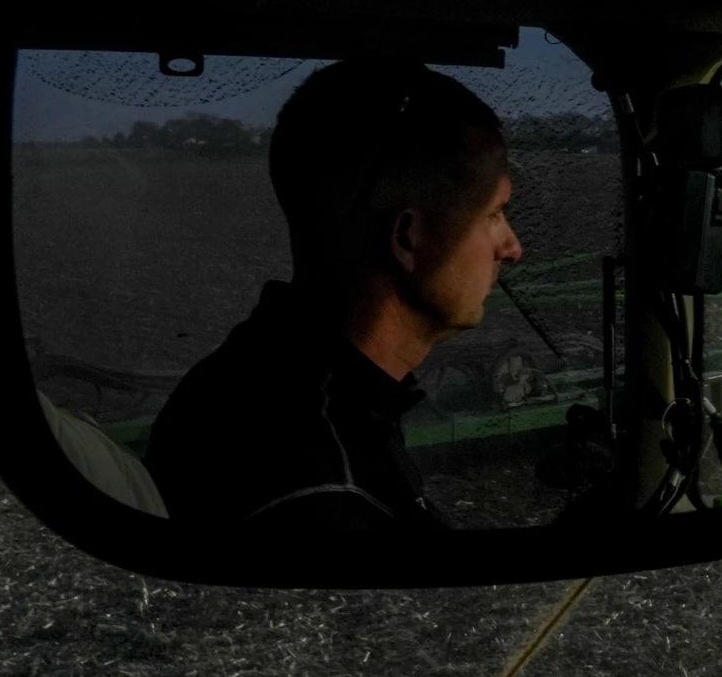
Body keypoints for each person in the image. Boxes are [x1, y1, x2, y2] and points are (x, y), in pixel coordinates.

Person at [146, 60, 522, 529]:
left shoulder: (261, 373)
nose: (513, 248)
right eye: (493, 215)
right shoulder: (324, 492)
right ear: (409, 239)